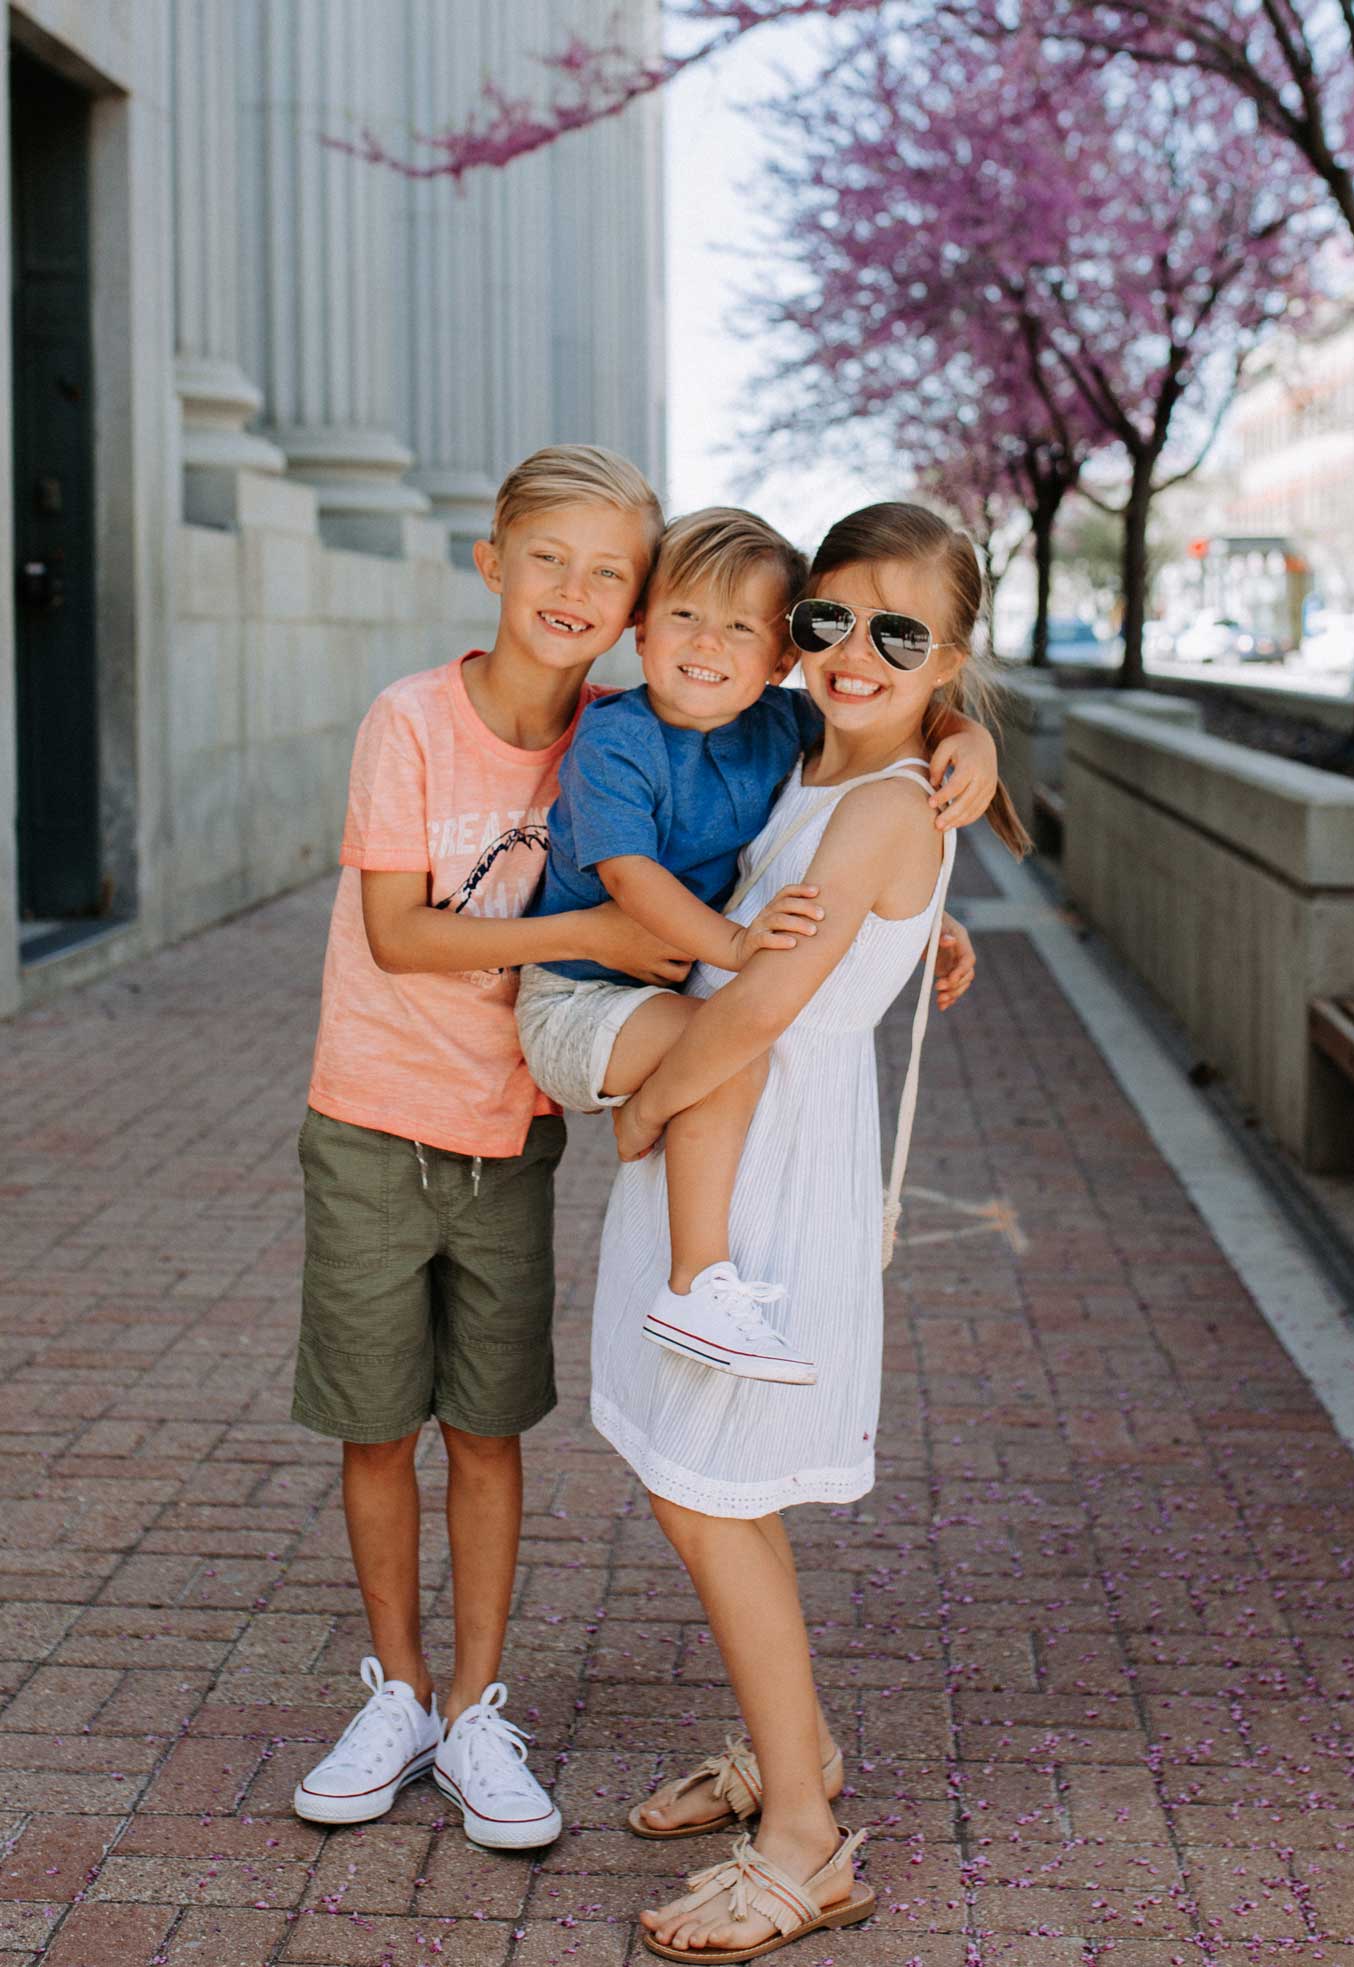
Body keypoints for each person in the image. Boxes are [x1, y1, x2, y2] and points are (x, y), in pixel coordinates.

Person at [591, 503, 1030, 1961]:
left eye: (902, 633)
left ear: (948, 656)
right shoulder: (802, 754)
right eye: (832, 616)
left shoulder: (890, 802)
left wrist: (646, 1110)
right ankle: (801, 1748)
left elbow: (771, 1000)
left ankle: (802, 1837)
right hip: (732, 1128)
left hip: (761, 1153)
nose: (857, 650)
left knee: (712, 1489)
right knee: (701, 1480)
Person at [289, 445, 690, 1848]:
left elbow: (799, 754)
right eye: (549, 557)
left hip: (510, 1135)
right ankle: (397, 1692)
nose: (574, 588)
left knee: (488, 1425)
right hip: (370, 1122)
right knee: (375, 1422)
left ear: (637, 602)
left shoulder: (628, 740)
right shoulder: (410, 719)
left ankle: (473, 1709)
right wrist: (588, 928)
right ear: (493, 562)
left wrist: (957, 755)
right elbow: (400, 933)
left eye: (608, 571)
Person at [516, 507, 996, 1389]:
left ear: (776, 658)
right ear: (640, 627)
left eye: (743, 627)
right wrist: (735, 945)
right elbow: (630, 878)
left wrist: (972, 738)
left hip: (672, 1019)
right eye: (685, 615)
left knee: (728, 1046)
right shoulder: (616, 737)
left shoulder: (774, 723)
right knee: (731, 1051)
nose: (709, 644)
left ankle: (695, 1278)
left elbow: (887, 736)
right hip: (577, 998)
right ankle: (697, 1282)